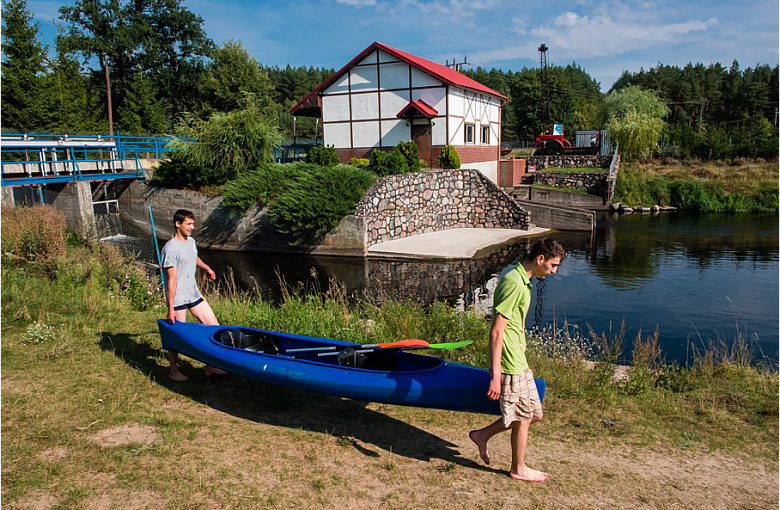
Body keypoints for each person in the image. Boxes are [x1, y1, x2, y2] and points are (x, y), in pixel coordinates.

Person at [469, 238, 565, 482]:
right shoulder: (514, 283)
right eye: (553, 265)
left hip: (518, 358)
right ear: (540, 259)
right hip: (510, 362)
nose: (553, 271)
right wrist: (495, 376)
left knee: (533, 413)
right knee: (522, 417)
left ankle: (482, 435)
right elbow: (496, 331)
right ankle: (518, 468)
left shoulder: (521, 278)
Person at [161, 209, 227, 381]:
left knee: (214, 326)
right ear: (178, 224)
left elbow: (194, 257)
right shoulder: (170, 248)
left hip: (193, 293)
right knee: (177, 336)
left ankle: (211, 366)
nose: (192, 227)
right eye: (189, 224)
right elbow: (172, 280)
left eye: (193, 224)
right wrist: (170, 307)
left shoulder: (191, 242)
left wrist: (206, 268)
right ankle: (173, 371)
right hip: (178, 298)